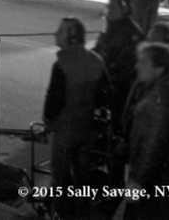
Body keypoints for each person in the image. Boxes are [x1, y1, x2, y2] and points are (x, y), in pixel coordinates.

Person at [43, 17, 109, 220]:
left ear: (71, 38)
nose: (55, 33)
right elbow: (104, 96)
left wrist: (47, 124)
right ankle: (83, 212)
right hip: (86, 129)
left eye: (60, 31)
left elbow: (54, 102)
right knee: (83, 178)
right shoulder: (96, 60)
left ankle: (61, 213)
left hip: (64, 131)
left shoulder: (62, 64)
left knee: (60, 178)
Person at [123, 42, 169, 220]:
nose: (137, 66)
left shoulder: (159, 101)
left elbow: (152, 147)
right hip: (163, 178)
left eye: (143, 62)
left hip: (151, 182)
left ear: (159, 69)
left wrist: (137, 181)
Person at [93, 0, 144, 132]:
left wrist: (101, 76)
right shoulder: (111, 26)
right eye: (108, 6)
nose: (108, 9)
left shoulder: (131, 34)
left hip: (120, 85)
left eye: (113, 7)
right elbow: (98, 49)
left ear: (125, 9)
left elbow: (126, 68)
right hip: (106, 77)